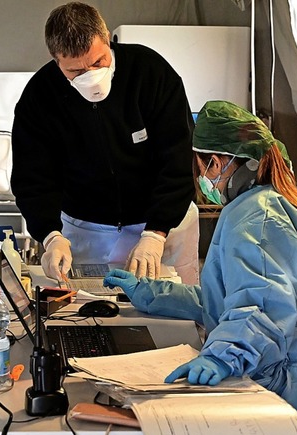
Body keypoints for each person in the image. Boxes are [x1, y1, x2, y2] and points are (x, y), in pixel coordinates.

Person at [104, 100, 297, 435]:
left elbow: (261, 306)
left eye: (202, 168)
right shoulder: (268, 203)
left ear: (216, 162)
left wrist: (221, 357)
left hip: (283, 391)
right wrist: (152, 294)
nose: (202, 179)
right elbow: (227, 299)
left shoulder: (258, 217)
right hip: (277, 367)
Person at [11, 2, 199, 283]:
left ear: (107, 37)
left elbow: (179, 158)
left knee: (176, 315)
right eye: (75, 71)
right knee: (90, 314)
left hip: (163, 225)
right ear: (56, 59)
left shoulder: (151, 73)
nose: (90, 77)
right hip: (86, 230)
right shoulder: (40, 97)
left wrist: (156, 232)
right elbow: (32, 178)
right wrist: (51, 236)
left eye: (99, 62)